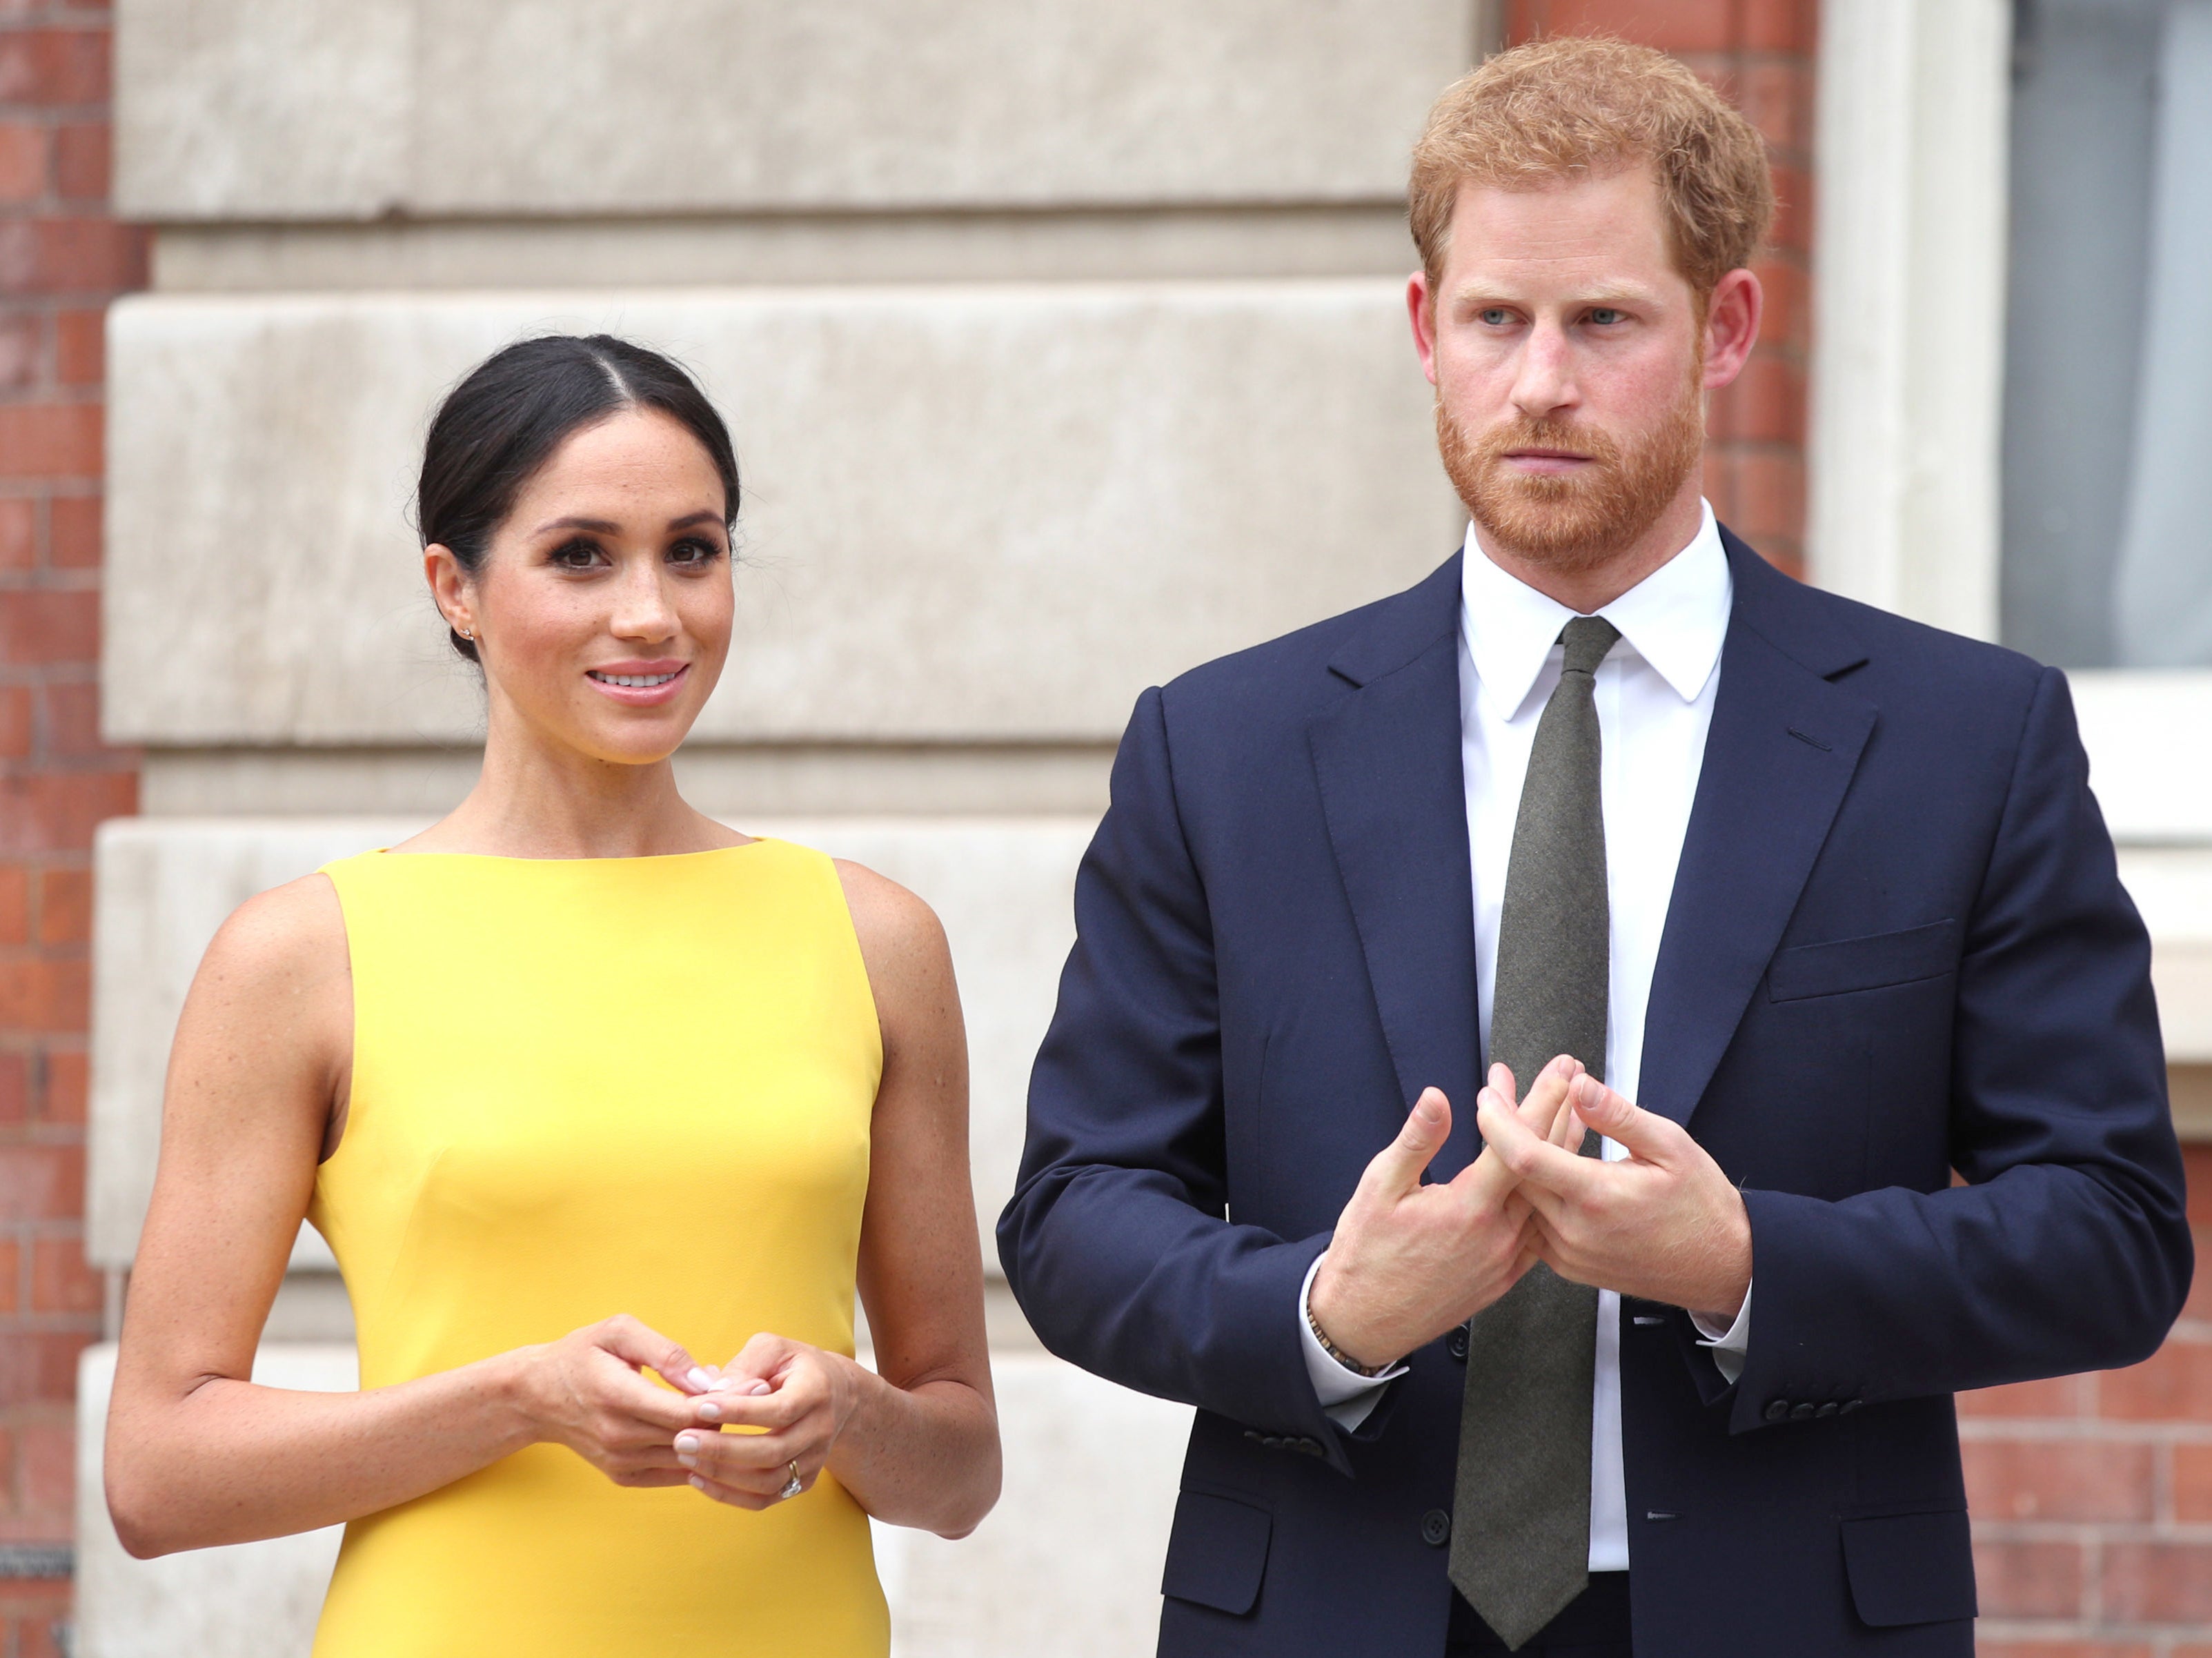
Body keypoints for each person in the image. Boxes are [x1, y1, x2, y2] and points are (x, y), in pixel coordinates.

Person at [998, 38, 2193, 1658]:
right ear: (1426, 331)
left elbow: (2111, 1230)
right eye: (1495, 318)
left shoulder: (1958, 741)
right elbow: (1075, 1213)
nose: (1540, 382)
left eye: (1604, 321)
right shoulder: (1222, 747)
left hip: (1788, 1618)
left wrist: (1752, 1261)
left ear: (1725, 331)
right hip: (1327, 1608)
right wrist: (1324, 1317)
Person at [103, 334, 1000, 1654]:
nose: (652, 612)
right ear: (453, 588)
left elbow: (961, 1469)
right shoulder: (304, 957)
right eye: (581, 554)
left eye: (693, 550)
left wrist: (848, 1414)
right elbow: (156, 1473)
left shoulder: (874, 941)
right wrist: (518, 1400)